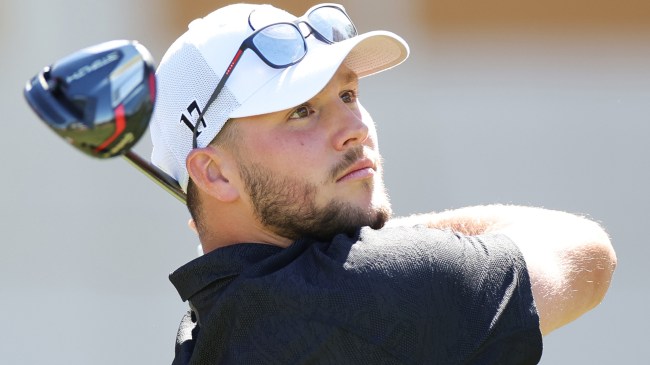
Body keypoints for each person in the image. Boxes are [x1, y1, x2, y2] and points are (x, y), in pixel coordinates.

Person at [149, 3, 617, 364]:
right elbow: (585, 250)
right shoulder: (364, 287)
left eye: (348, 94)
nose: (354, 126)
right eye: (301, 111)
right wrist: (390, 240)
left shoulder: (206, 322)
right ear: (214, 173)